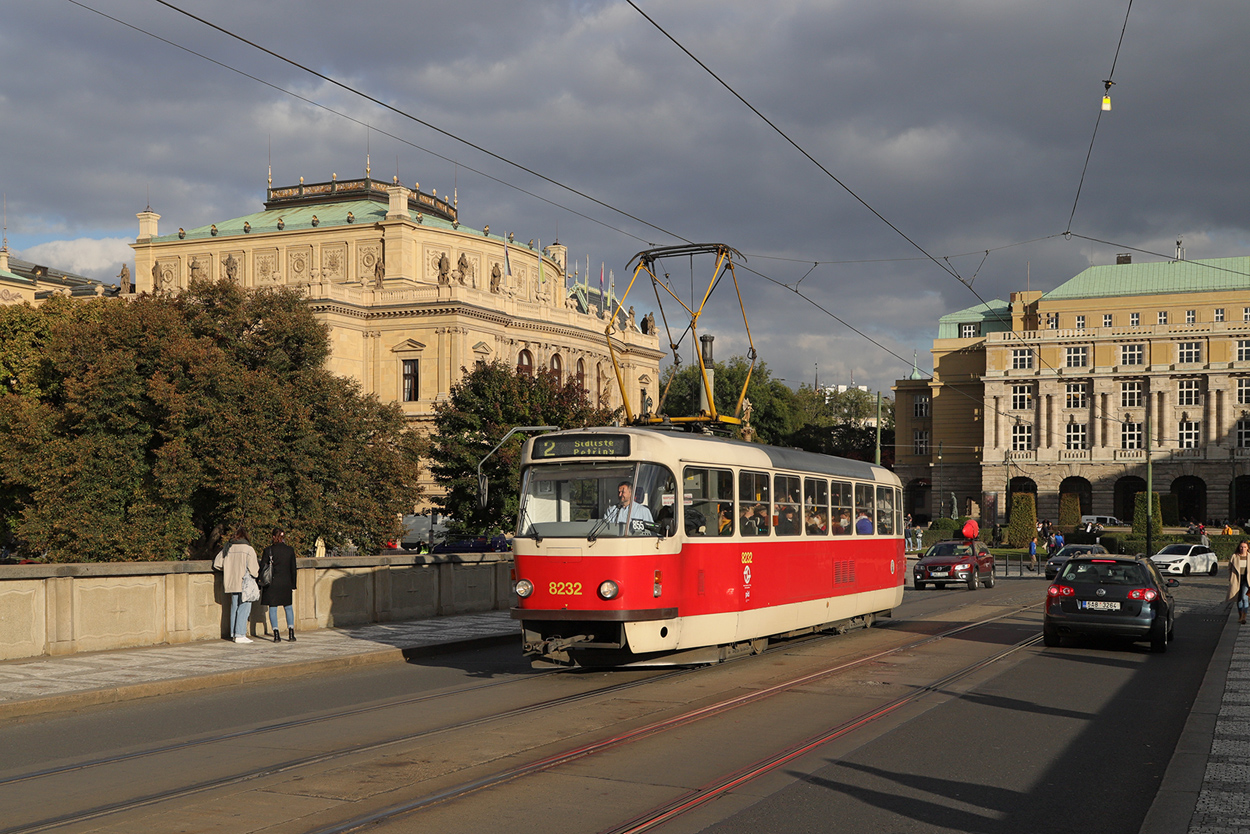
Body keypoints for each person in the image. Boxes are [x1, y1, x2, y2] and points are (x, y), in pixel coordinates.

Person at [213, 527, 260, 643]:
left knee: (234, 607)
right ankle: (240, 634)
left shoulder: (228, 547)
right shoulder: (248, 549)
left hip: (231, 582)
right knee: (244, 607)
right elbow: (254, 569)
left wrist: (227, 569)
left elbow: (217, 564)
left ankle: (234, 633)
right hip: (244, 582)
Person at [261, 529, 298, 643]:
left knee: (273, 608)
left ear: (273, 537)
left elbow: (263, 567)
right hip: (286, 582)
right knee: (288, 607)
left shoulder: (268, 550)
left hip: (272, 583)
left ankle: (276, 634)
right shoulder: (290, 550)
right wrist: (293, 584)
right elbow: (293, 569)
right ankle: (291, 633)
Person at [1229, 540, 1250, 625]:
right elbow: (1230, 568)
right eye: (1241, 547)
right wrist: (1230, 578)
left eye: (1245, 547)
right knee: (1239, 598)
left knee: (1245, 597)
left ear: (1247, 548)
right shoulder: (1234, 556)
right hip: (1237, 580)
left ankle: (1244, 616)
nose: (1243, 549)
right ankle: (1240, 615)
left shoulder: (1249, 556)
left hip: (1247, 581)